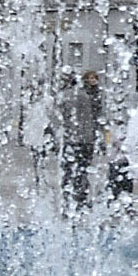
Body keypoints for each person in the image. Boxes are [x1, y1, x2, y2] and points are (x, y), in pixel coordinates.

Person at [60, 68, 104, 209]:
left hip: (72, 139)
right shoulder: (85, 95)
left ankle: (68, 198)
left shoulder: (66, 96)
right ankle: (81, 198)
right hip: (87, 138)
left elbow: (60, 117)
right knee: (82, 169)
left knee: (68, 169)